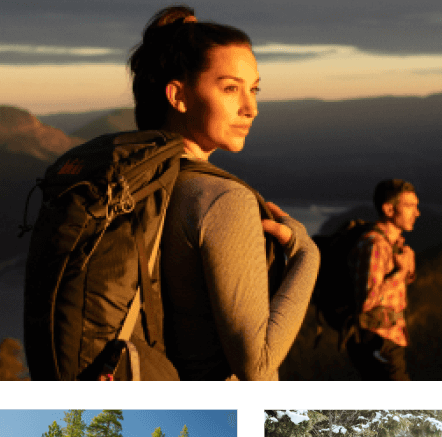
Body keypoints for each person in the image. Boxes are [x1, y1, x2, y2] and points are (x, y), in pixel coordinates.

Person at [127, 6, 320, 380]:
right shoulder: (220, 199)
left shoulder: (141, 180)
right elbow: (257, 367)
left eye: (254, 89)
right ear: (178, 96)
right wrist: (306, 255)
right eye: (231, 88)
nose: (251, 108)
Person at [345, 180, 420, 381]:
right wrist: (402, 273)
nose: (417, 213)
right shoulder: (375, 245)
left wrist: (406, 271)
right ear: (388, 209)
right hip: (377, 340)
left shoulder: (394, 243)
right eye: (409, 206)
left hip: (389, 338)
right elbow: (367, 299)